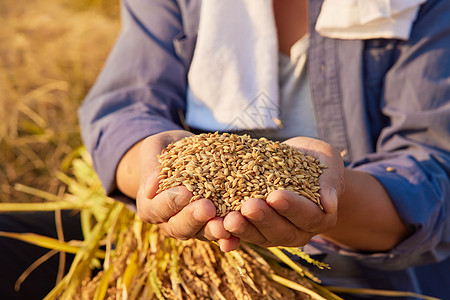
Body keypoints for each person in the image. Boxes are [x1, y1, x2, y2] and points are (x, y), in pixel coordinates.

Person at [78, 0, 450, 298]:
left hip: (366, 267)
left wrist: (330, 192)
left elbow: (434, 171)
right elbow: (125, 110)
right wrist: (154, 172)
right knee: (17, 241)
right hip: (195, 250)